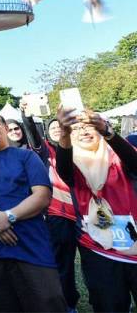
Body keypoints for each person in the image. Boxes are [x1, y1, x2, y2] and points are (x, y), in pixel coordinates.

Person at [0, 112, 67, 313]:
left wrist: (8, 216)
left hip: (28, 239)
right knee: (2, 301)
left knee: (47, 299)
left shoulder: (26, 156)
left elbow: (42, 195)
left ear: (5, 129)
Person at [56, 107, 137, 313]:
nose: (84, 131)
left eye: (89, 126)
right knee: (109, 305)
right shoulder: (71, 165)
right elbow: (63, 167)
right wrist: (64, 134)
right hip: (98, 247)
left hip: (134, 244)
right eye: (77, 129)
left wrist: (108, 131)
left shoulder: (119, 156)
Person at [43, 117, 80, 311]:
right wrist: (26, 114)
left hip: (85, 213)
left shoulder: (80, 148)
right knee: (64, 262)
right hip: (59, 214)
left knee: (95, 261)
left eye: (60, 126)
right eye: (52, 127)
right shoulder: (44, 151)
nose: (56, 129)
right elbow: (31, 135)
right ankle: (69, 302)